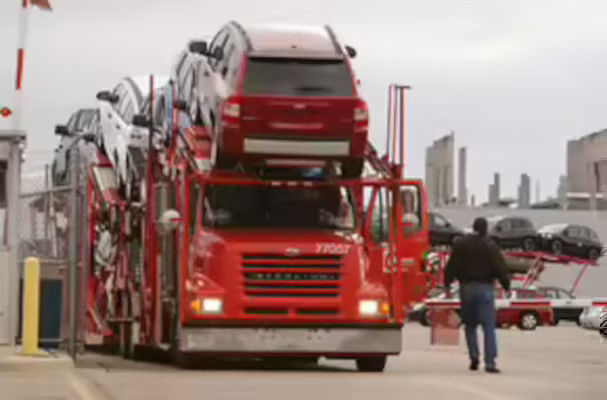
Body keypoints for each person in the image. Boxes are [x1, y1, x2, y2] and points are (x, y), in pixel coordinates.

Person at [443, 217, 511, 373]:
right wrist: (506, 284)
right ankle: (490, 363)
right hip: (485, 288)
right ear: (485, 229)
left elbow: (451, 265)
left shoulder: (461, 244)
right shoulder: (490, 245)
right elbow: (500, 267)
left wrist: (447, 283)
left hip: (466, 288)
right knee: (488, 326)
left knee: (470, 325)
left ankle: (474, 357)